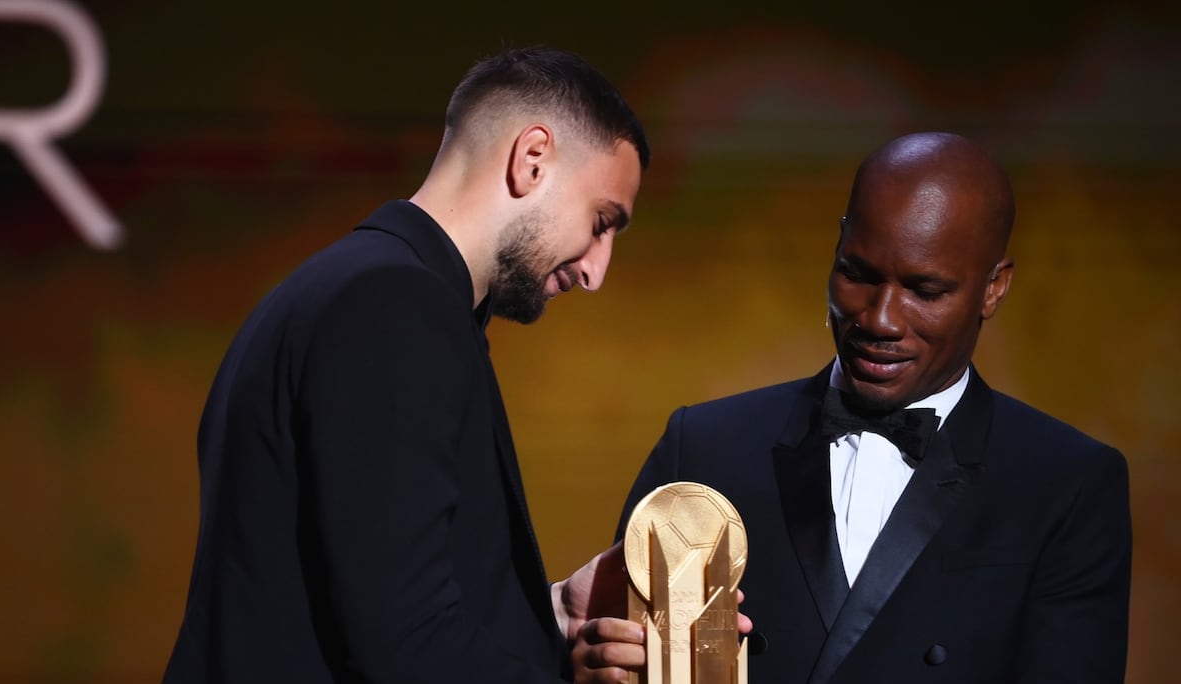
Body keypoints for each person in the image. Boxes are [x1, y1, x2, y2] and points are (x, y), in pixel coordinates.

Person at [163, 46, 652, 683]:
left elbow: (361, 588)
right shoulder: (393, 307)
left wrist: (552, 614)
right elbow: (406, 648)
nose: (595, 270)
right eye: (601, 222)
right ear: (532, 160)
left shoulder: (354, 288)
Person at [580, 131, 1132, 683]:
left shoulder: (1068, 483)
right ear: (837, 247)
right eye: (858, 275)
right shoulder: (703, 445)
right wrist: (590, 667)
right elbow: (612, 649)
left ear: (994, 288)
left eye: (925, 290)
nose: (880, 319)